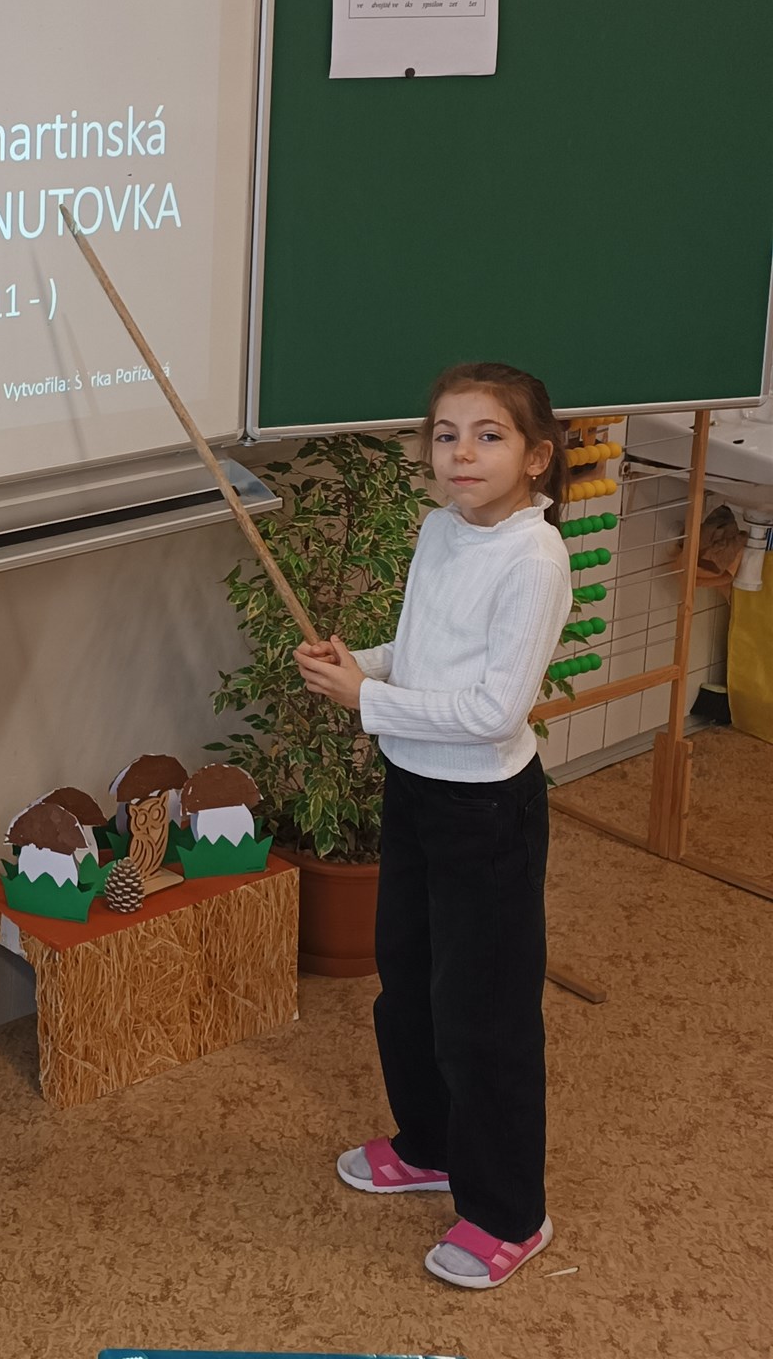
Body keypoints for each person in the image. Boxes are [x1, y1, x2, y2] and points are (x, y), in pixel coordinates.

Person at [295, 363, 572, 1290]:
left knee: (482, 1018)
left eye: (489, 435)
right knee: (409, 987)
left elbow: (494, 710)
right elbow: (424, 654)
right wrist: (364, 664)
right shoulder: (440, 528)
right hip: (413, 789)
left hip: (485, 811)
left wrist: (366, 699)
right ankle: (431, 1145)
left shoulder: (535, 559)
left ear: (536, 457)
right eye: (446, 434)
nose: (462, 453)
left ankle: (510, 1214)